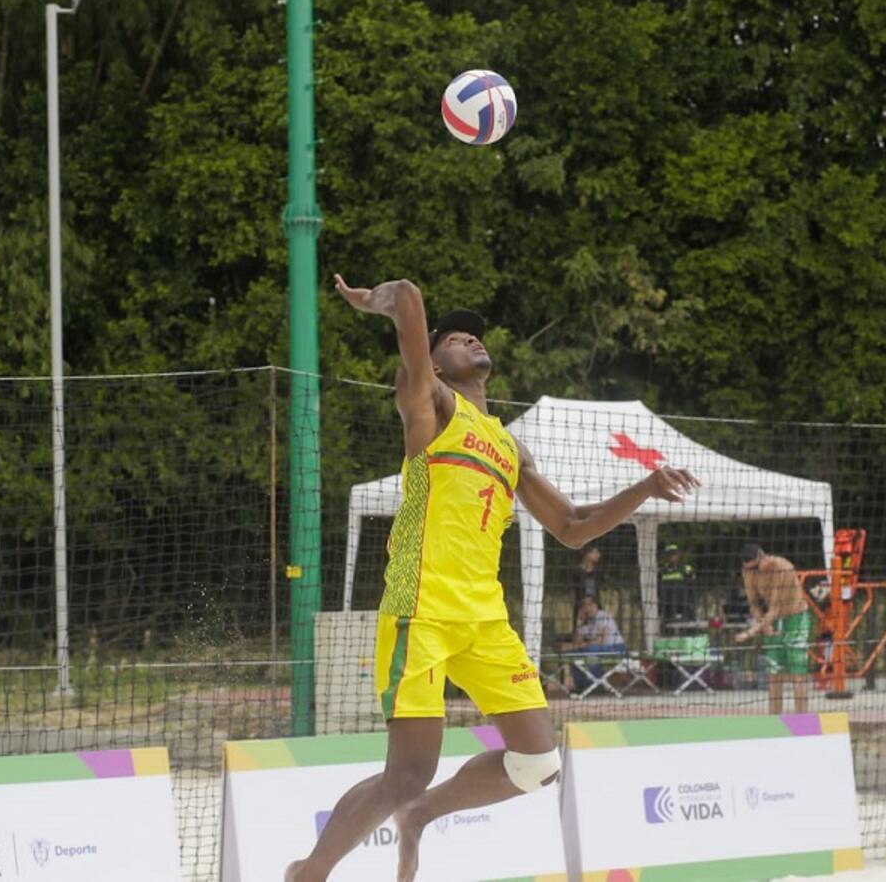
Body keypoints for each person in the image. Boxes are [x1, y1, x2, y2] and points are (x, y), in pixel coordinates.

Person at [285, 275, 699, 882]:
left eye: (473, 334)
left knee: (537, 764)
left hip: (483, 618)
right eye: (454, 337)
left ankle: (422, 816)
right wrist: (383, 300)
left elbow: (574, 526)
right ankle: (308, 873)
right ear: (436, 365)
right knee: (405, 772)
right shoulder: (430, 405)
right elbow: (406, 297)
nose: (469, 337)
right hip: (420, 608)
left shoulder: (509, 445)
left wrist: (644, 486)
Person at [734, 543, 811, 714]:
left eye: (756, 567)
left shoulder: (783, 568)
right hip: (771, 619)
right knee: (774, 674)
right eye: (750, 569)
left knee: (797, 674)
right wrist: (763, 622)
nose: (754, 572)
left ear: (763, 556)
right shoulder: (748, 572)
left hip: (795, 618)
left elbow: (776, 608)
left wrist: (750, 632)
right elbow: (753, 603)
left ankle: (803, 721)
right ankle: (774, 721)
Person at [566, 596, 627, 694]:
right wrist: (580, 622)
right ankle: (581, 686)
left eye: (588, 605)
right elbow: (576, 641)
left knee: (591, 650)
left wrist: (585, 645)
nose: (585, 607)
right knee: (573, 654)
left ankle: (594, 685)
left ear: (595, 605)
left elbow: (602, 640)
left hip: (615, 648)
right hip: (599, 649)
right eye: (583, 606)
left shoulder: (603, 616)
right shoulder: (589, 622)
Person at [659, 542, 696, 624]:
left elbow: (691, 587)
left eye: (674, 554)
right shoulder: (662, 570)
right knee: (667, 629)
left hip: (684, 605)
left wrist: (691, 604)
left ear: (679, 555)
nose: (672, 557)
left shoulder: (687, 569)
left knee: (687, 627)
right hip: (667, 607)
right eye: (669, 554)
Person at [570, 544, 603, 626]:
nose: (598, 555)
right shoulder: (577, 571)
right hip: (581, 607)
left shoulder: (598, 571)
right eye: (595, 552)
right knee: (580, 632)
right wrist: (577, 607)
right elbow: (573, 591)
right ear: (587, 554)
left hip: (595, 607)